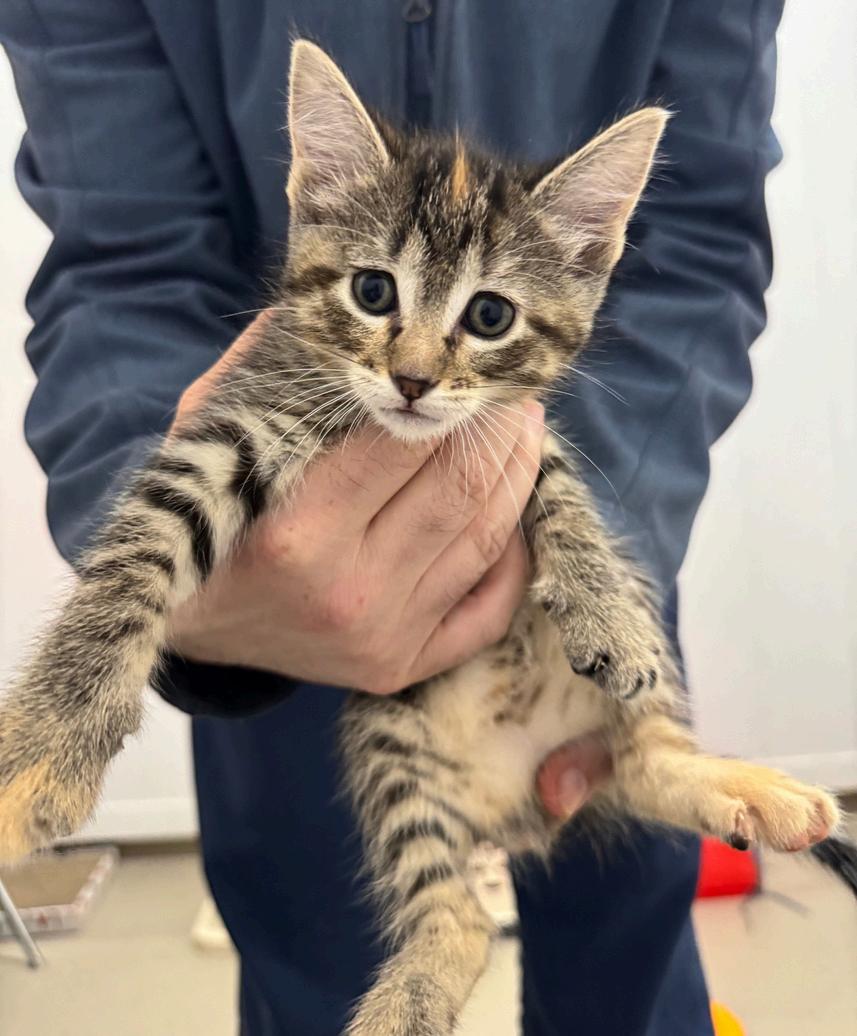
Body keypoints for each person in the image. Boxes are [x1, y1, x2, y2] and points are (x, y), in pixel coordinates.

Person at [0, 2, 784, 1034]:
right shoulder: (308, 375)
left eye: (483, 318)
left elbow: (703, 236)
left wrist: (587, 535)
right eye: (376, 293)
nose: (414, 367)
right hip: (267, 620)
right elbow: (120, 263)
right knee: (312, 948)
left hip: (569, 583)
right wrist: (181, 640)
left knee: (624, 949)